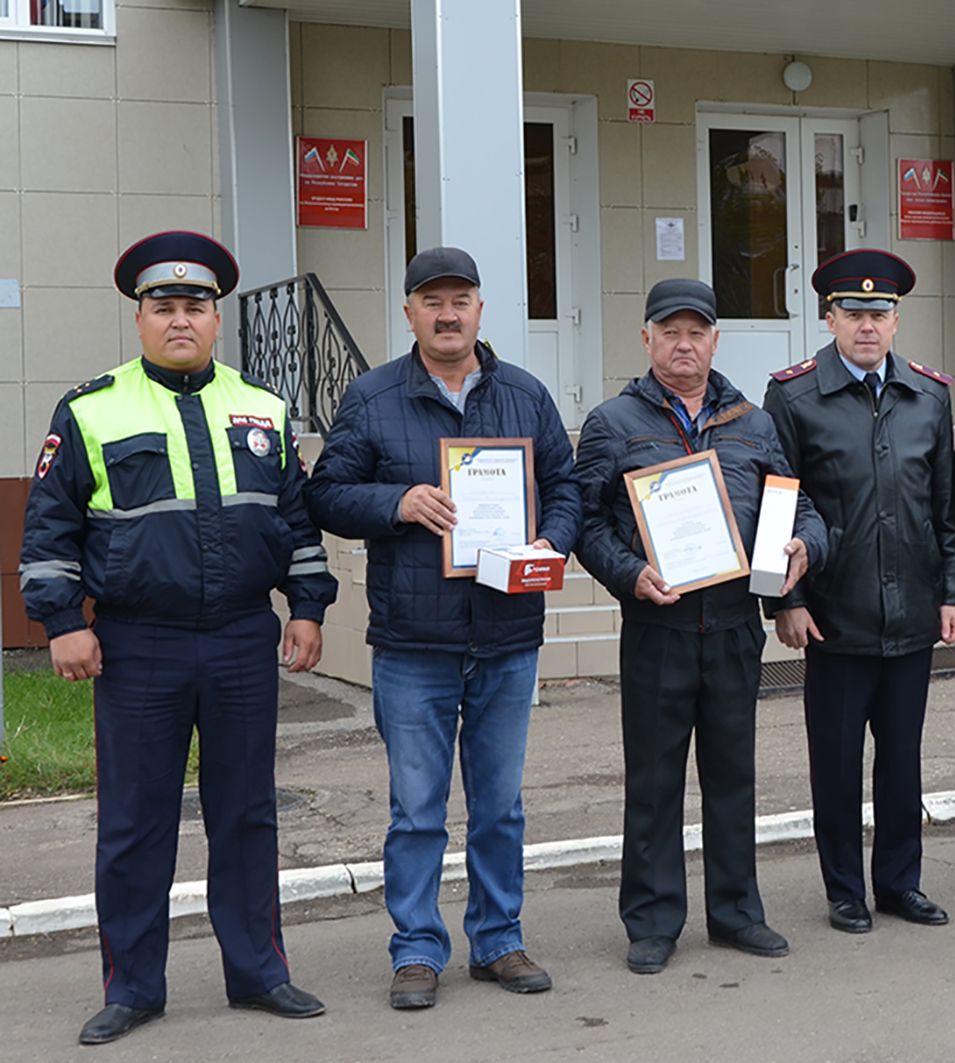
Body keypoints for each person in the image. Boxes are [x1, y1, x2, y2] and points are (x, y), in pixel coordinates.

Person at [19, 231, 337, 1045]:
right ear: (140, 320)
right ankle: (133, 987)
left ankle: (259, 972)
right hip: (137, 644)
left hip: (239, 639)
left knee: (246, 813)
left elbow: (293, 522)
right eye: (164, 307)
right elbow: (50, 526)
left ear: (218, 318)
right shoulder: (92, 408)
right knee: (134, 821)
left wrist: (307, 605)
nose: (180, 319)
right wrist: (60, 622)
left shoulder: (263, 407)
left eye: (195, 306)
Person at [303, 247, 581, 1009]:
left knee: (500, 804)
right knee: (417, 809)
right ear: (410, 312)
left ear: (481, 310)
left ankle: (498, 938)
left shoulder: (524, 395)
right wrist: (398, 502)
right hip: (413, 642)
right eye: (433, 300)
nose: (448, 313)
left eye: (461, 299)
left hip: (507, 634)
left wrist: (552, 541)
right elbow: (327, 495)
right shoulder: (371, 397)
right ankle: (418, 948)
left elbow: (565, 485)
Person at [574, 278, 826, 974]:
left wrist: (805, 551)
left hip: (735, 625)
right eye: (670, 331)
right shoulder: (612, 423)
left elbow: (793, 506)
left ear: (715, 341)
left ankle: (737, 911)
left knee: (732, 775)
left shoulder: (751, 420)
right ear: (647, 338)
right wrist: (629, 574)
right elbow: (587, 524)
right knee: (654, 780)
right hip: (659, 625)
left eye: (697, 333)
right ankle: (653, 920)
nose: (684, 344)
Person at [763, 249, 955, 934]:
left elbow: (945, 507)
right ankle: (845, 887)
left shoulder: (929, 394)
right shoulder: (794, 396)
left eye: (879, 314)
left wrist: (952, 593)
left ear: (896, 319)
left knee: (903, 760)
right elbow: (778, 505)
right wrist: (784, 601)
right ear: (829, 317)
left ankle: (899, 882)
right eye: (853, 314)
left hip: (910, 609)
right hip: (833, 612)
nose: (867, 327)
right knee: (838, 760)